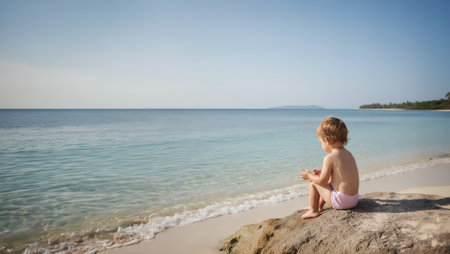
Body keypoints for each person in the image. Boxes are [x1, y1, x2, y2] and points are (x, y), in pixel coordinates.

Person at [300, 117, 359, 219]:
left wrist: (309, 175)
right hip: (354, 199)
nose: (321, 145)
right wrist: (324, 172)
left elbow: (322, 181)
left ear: (326, 140)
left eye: (320, 142)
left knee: (314, 183)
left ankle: (314, 210)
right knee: (325, 183)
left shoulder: (329, 158)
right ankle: (319, 206)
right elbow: (341, 177)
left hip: (342, 202)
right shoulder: (349, 154)